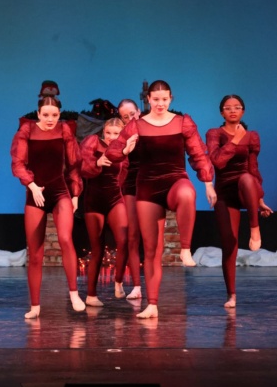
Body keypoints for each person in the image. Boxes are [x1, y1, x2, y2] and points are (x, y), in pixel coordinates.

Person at [106, 80, 216, 319]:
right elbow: (112, 152)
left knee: (187, 193)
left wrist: (208, 183)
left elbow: (198, 154)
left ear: (170, 98)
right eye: (155, 99)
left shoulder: (182, 122)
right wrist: (125, 150)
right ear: (148, 100)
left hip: (174, 179)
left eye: (164, 99)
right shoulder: (137, 125)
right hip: (147, 188)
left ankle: (185, 249)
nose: (160, 103)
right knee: (152, 250)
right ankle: (152, 304)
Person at [11, 95, 85, 319]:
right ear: (38, 114)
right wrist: (31, 185)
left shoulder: (64, 130)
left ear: (59, 114)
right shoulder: (27, 131)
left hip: (59, 192)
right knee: (35, 253)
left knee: (65, 239)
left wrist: (75, 194)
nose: (50, 119)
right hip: (36, 194)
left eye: (54, 115)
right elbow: (18, 163)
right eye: (46, 115)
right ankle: (35, 306)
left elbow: (74, 164)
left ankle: (74, 294)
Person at [206, 95, 273, 308]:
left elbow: (253, 168)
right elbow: (217, 161)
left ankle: (255, 228)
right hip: (224, 193)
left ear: (243, 111)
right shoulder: (215, 134)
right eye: (228, 108)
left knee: (246, 177)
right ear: (222, 112)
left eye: (237, 107)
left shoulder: (252, 136)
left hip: (245, 188)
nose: (233, 111)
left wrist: (259, 199)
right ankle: (231, 295)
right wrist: (235, 139)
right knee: (229, 243)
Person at [80, 118, 139, 306]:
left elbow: (123, 175)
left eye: (116, 134)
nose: (111, 137)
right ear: (103, 132)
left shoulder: (122, 150)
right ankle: (91, 295)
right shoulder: (93, 142)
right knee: (97, 249)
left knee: (124, 240)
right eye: (108, 133)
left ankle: (118, 281)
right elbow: (82, 168)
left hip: (114, 199)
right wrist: (96, 162)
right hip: (94, 201)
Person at [117, 98, 144, 300]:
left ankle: (153, 287)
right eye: (125, 117)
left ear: (139, 111)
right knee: (132, 236)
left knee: (151, 239)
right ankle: (136, 285)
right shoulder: (123, 135)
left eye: (132, 114)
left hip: (151, 182)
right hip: (131, 185)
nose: (130, 119)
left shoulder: (151, 127)